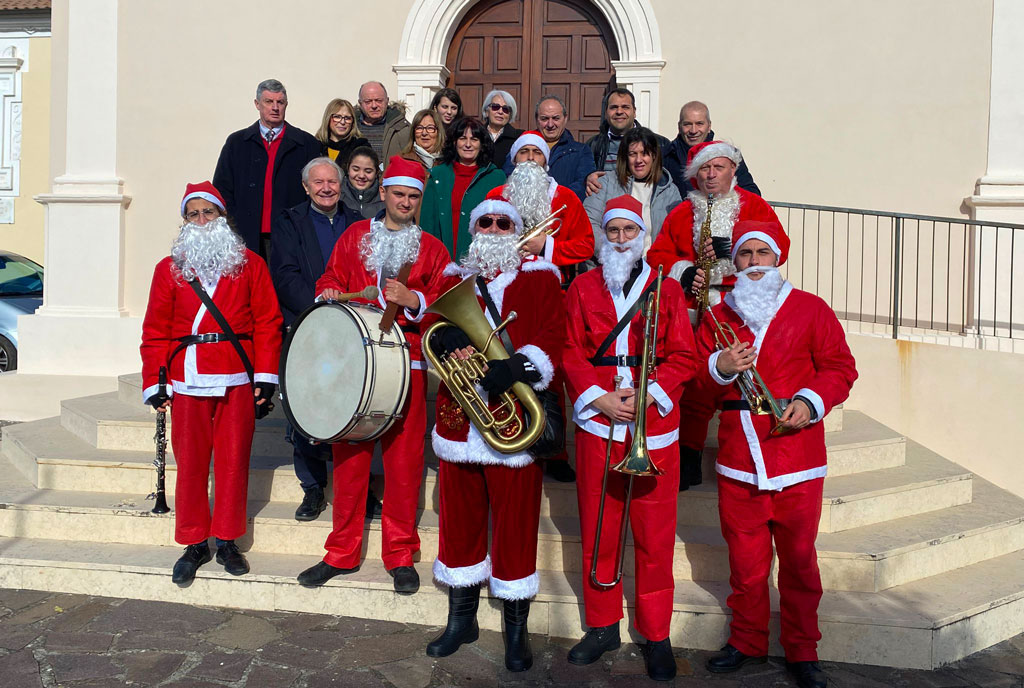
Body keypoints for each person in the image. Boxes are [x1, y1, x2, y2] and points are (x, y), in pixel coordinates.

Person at [693, 219, 857, 688]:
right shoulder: (719, 315)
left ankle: (802, 650)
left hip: (797, 454)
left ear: (777, 259)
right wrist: (718, 366)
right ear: (736, 262)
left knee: (800, 561)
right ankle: (747, 640)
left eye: (762, 254)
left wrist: (809, 402)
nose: (754, 264)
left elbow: (840, 369)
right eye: (745, 255)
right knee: (745, 563)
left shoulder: (810, 309)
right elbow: (697, 385)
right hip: (739, 453)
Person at [296, 157, 451, 595]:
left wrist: (415, 298)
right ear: (383, 193)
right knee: (350, 463)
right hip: (356, 367)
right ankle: (341, 552)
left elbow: (444, 303)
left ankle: (400, 554)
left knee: (403, 468)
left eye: (413, 196)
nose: (405, 202)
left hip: (408, 367)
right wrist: (326, 290)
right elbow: (331, 276)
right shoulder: (354, 236)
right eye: (398, 194)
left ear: (420, 200)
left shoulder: (433, 249)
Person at [425, 197, 566, 672]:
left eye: (503, 222)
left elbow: (552, 334)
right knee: (459, 520)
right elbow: (432, 325)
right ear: (473, 228)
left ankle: (515, 630)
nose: (493, 227)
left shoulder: (542, 276)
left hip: (514, 422)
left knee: (516, 525)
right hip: (459, 419)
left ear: (517, 229)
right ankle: (460, 619)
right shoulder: (452, 276)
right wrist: (445, 339)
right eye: (484, 221)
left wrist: (518, 368)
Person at [562, 195, 696, 682]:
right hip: (599, 422)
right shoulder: (580, 288)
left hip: (652, 426)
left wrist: (648, 393)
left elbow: (685, 354)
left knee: (655, 536)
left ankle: (656, 633)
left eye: (628, 231)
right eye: (612, 230)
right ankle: (601, 625)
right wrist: (596, 398)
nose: (620, 239)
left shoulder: (667, 290)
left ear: (642, 237)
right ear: (603, 237)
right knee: (600, 527)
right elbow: (570, 349)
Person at [140, 182, 282, 585]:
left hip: (236, 375)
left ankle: (228, 538)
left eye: (209, 213)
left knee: (234, 463)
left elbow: (268, 322)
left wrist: (266, 376)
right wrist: (156, 381)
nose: (202, 221)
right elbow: (155, 330)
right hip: (187, 377)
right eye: (193, 214)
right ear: (184, 222)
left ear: (223, 218)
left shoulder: (250, 264)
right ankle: (193, 541)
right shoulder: (168, 269)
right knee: (191, 465)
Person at [647, 140, 781, 491]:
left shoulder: (754, 206)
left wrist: (733, 244)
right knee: (695, 385)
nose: (711, 175)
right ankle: (689, 457)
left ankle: (754, 455)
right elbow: (657, 254)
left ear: (732, 171)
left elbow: (780, 245)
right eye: (704, 169)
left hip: (743, 307)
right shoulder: (682, 211)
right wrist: (684, 270)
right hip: (696, 310)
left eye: (718, 167)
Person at [269, 158, 362, 521]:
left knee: (352, 405)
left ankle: (358, 487)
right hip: (306, 325)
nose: (326, 188)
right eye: (318, 182)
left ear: (342, 185)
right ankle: (312, 486)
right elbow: (285, 274)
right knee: (306, 408)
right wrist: (319, 310)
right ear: (306, 187)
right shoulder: (290, 221)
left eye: (332, 182)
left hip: (351, 329)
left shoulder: (357, 222)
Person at [213, 80, 322, 260]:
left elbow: (315, 190)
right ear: (257, 104)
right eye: (268, 102)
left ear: (286, 105)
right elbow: (222, 189)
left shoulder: (306, 144)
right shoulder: (237, 143)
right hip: (244, 235)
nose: (275, 107)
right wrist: (232, 227)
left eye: (280, 102)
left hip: (290, 234)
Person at [487, 131, 594, 287]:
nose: (530, 158)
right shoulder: (496, 195)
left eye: (537, 153)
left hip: (552, 285)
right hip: (502, 284)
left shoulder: (567, 197)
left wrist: (547, 247)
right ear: (515, 159)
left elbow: (586, 247)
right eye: (523, 152)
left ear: (545, 161)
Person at [583, 127, 681, 254]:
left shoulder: (669, 190)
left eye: (644, 153)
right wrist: (613, 254)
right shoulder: (605, 183)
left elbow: (677, 232)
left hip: (652, 267)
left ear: (654, 156)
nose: (638, 160)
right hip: (610, 264)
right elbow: (588, 223)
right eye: (632, 154)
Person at [420, 117, 506, 260]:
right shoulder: (438, 175)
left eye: (474, 139)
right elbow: (428, 223)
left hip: (482, 261)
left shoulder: (496, 177)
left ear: (482, 144)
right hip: (442, 260)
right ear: (454, 142)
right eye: (462, 138)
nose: (468, 144)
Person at [502, 94, 595, 201]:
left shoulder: (581, 151)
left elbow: (582, 185)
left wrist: (551, 199)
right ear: (536, 119)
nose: (550, 124)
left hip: (562, 211)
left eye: (556, 118)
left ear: (565, 118)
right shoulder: (521, 147)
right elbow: (508, 177)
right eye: (544, 119)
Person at [663, 101, 760, 198]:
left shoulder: (728, 155)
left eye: (699, 124)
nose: (693, 130)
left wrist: (724, 203)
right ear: (679, 127)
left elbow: (752, 193)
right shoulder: (665, 156)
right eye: (687, 124)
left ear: (709, 126)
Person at [584, 88, 668, 197]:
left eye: (625, 107)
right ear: (606, 113)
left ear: (634, 112)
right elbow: (582, 176)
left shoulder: (660, 144)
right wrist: (587, 178)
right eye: (614, 107)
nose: (619, 112)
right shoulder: (591, 145)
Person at [356, 81, 411, 164]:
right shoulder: (350, 127)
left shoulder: (402, 129)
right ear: (360, 103)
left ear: (387, 101)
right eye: (368, 102)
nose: (374, 106)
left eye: (379, 101)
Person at [314, 98, 370, 167]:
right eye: (337, 117)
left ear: (353, 122)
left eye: (347, 118)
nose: (342, 122)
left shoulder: (361, 148)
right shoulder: (315, 146)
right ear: (328, 118)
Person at [340, 146, 385, 220]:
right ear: (348, 169)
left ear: (376, 173)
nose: (361, 176)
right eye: (356, 169)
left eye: (368, 171)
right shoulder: (337, 196)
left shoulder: (385, 199)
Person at [482, 89, 523, 168]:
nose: (500, 112)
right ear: (487, 111)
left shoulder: (519, 137)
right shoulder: (476, 135)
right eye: (495, 107)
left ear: (510, 115)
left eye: (506, 109)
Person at [399, 109, 446, 175]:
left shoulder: (447, 161)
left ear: (438, 132)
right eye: (419, 128)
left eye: (430, 128)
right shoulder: (401, 160)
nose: (424, 133)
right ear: (413, 132)